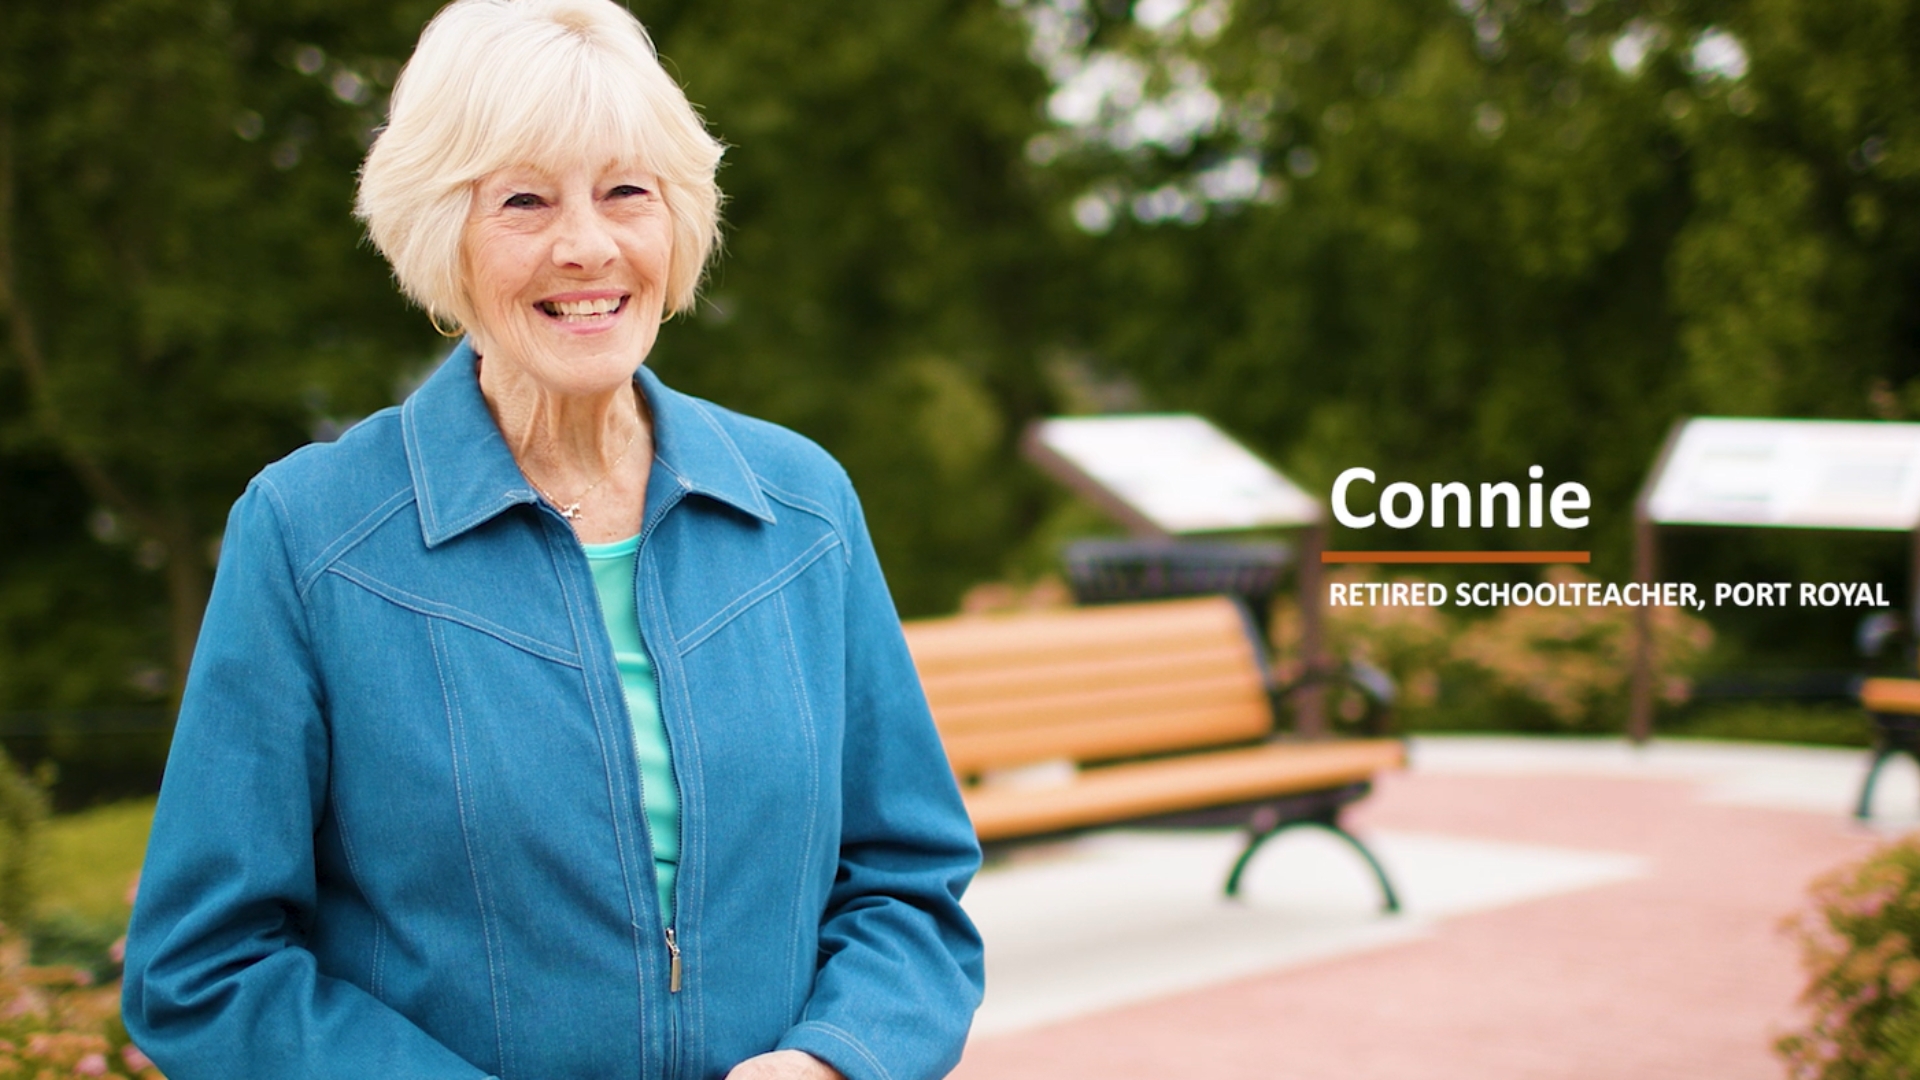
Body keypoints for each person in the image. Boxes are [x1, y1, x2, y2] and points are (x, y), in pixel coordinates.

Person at [119, 1, 985, 1076]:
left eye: (628, 191)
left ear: (679, 221)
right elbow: (203, 969)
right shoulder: (309, 536)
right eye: (523, 200)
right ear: (444, 234)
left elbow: (907, 882)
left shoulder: (801, 508)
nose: (587, 246)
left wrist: (834, 1058)